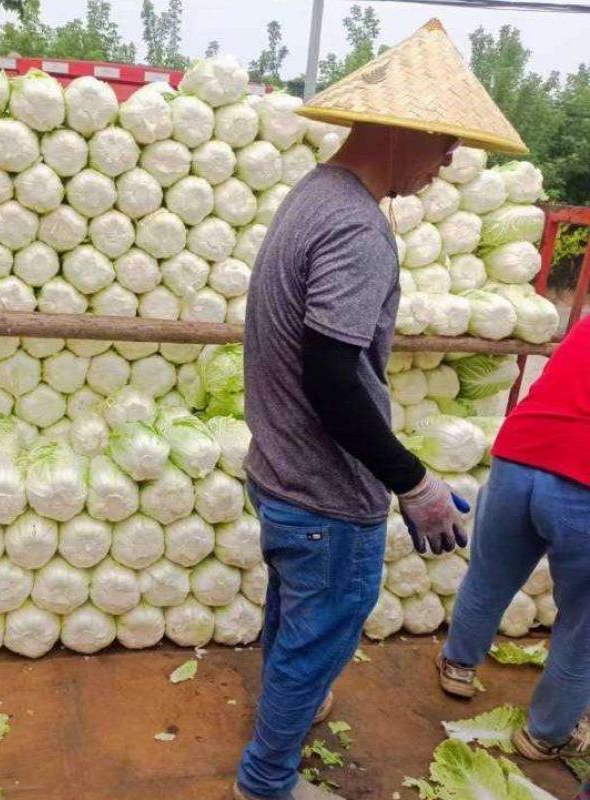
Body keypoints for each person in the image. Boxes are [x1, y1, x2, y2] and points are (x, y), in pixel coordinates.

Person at [234, 19, 529, 800]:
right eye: (446, 144)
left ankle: (288, 712)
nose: (450, 162)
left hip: (280, 472)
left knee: (295, 617)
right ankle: (266, 780)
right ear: (408, 131)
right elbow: (331, 376)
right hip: (324, 496)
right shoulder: (357, 228)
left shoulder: (314, 194)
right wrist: (414, 482)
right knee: (318, 633)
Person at [438, 315, 590, 765]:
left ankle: (458, 666)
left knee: (490, 576)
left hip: (520, 455)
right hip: (583, 484)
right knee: (583, 623)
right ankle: (545, 734)